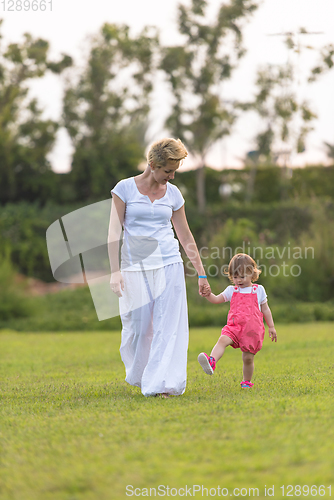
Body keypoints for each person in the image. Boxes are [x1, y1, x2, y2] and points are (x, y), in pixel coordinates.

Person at [108, 138, 211, 398]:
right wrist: (114, 270)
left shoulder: (174, 194)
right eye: (168, 171)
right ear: (152, 165)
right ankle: (143, 375)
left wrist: (200, 273)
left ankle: (164, 385)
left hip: (169, 263)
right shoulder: (124, 189)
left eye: (174, 170)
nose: (172, 176)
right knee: (139, 329)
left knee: (168, 327)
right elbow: (112, 232)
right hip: (135, 268)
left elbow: (185, 236)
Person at [198, 253, 277, 388]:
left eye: (242, 276)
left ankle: (246, 381)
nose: (238, 280)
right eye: (235, 277)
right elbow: (216, 299)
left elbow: (266, 309)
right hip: (234, 327)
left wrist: (271, 326)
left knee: (247, 358)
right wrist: (208, 294)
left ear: (252, 274)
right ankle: (212, 361)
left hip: (251, 330)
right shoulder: (231, 290)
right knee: (222, 339)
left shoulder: (258, 290)